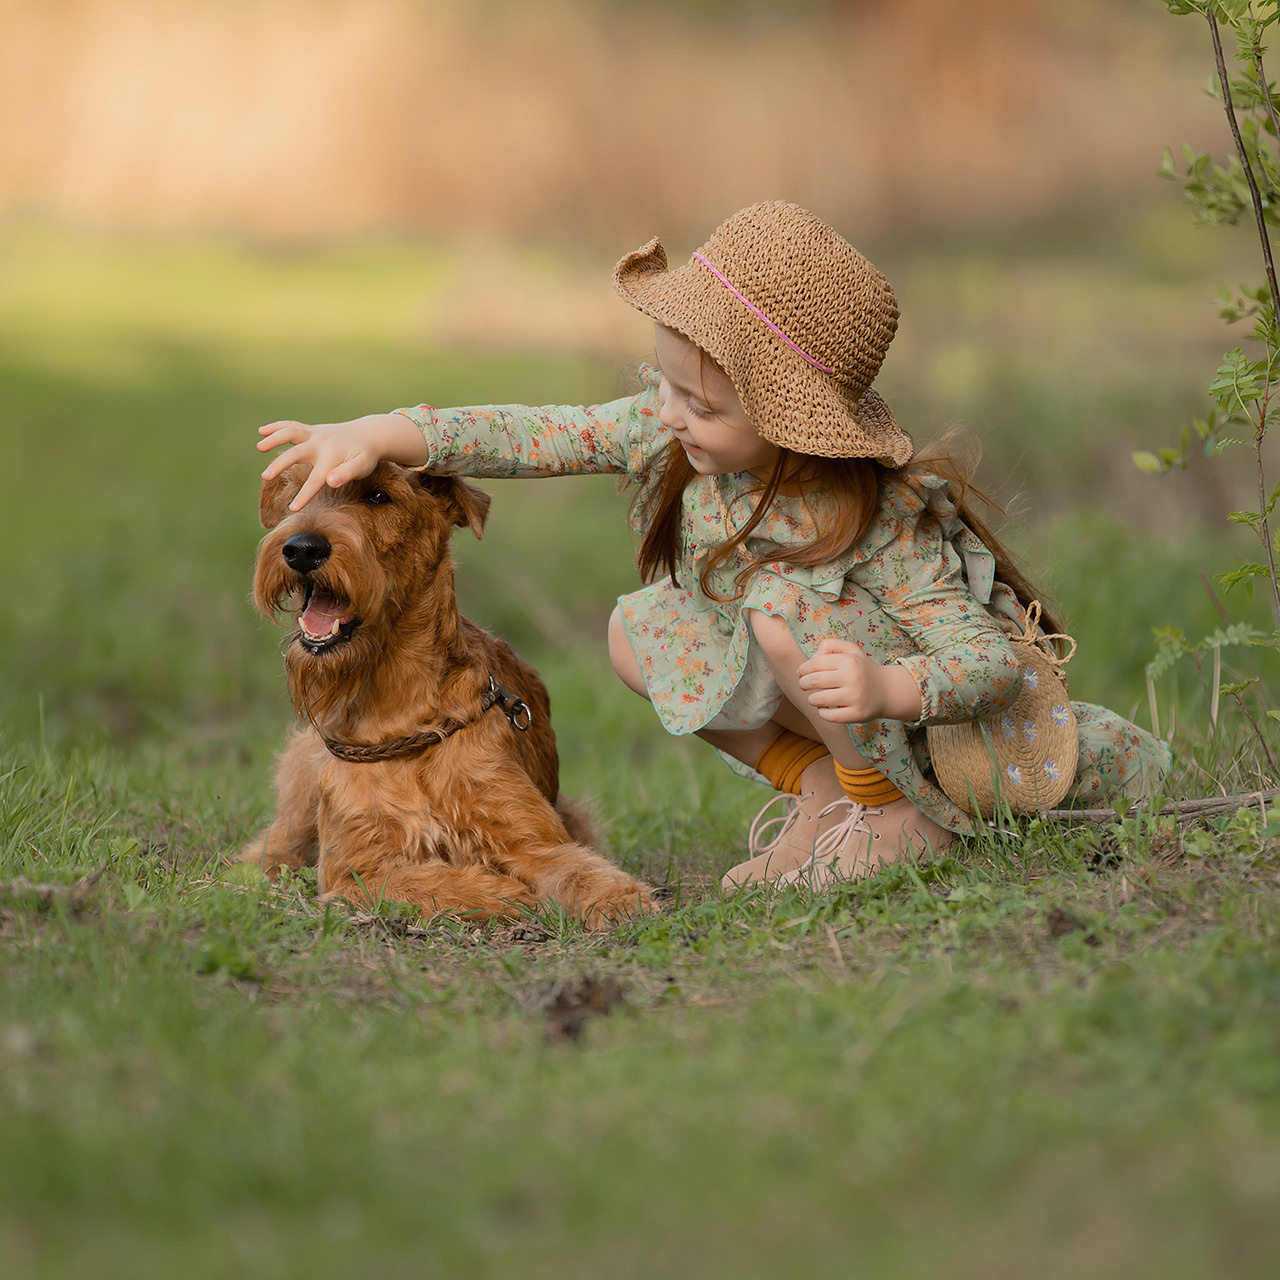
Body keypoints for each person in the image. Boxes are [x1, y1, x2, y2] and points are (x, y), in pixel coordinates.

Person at [257, 200, 1170, 891]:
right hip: (831, 704)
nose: (667, 414)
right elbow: (533, 432)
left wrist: (890, 688)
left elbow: (987, 662)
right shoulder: (672, 436)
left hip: (921, 729)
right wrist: (386, 429)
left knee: (775, 607)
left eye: (702, 404)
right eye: (664, 383)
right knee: (635, 630)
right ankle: (821, 786)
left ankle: (892, 815)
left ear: (788, 419)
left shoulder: (883, 523)